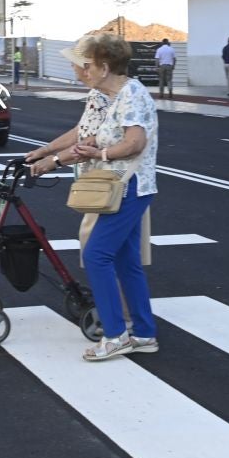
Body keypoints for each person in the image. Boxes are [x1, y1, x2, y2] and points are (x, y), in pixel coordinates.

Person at [23, 32, 160, 362]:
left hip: (126, 186)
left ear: (103, 66)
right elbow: (82, 133)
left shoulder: (132, 95)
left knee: (97, 255)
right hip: (109, 185)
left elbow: (134, 143)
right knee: (126, 261)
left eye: (83, 65)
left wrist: (99, 154)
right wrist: (45, 151)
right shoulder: (101, 95)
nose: (77, 71)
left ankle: (115, 335)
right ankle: (144, 333)